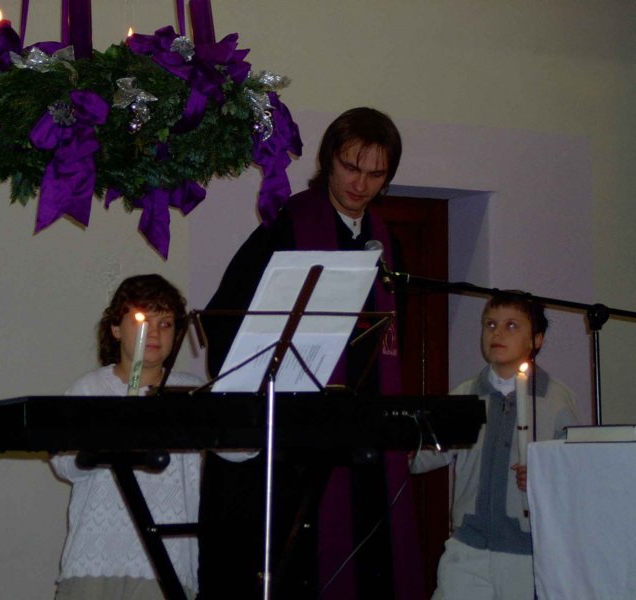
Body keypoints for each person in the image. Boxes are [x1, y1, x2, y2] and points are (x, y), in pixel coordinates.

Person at [198, 107, 424, 599]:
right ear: (327, 160)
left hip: (364, 432)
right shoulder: (287, 225)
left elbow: (396, 340)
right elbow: (228, 316)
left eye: (376, 174)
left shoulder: (388, 244)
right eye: (351, 167)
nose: (361, 184)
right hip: (297, 439)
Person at [409, 292, 579, 600]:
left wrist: (543, 475)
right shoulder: (465, 396)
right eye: (490, 324)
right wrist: (402, 442)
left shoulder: (555, 399)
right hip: (467, 548)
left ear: (536, 340)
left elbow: (573, 470)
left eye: (511, 325)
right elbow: (428, 456)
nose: (497, 333)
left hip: (527, 551)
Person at [50, 274, 203, 600]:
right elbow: (64, 464)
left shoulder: (191, 392)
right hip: (96, 557)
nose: (155, 333)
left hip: (167, 561)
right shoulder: (90, 389)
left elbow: (241, 451)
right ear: (116, 328)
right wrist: (107, 437)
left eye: (165, 324)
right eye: (143, 321)